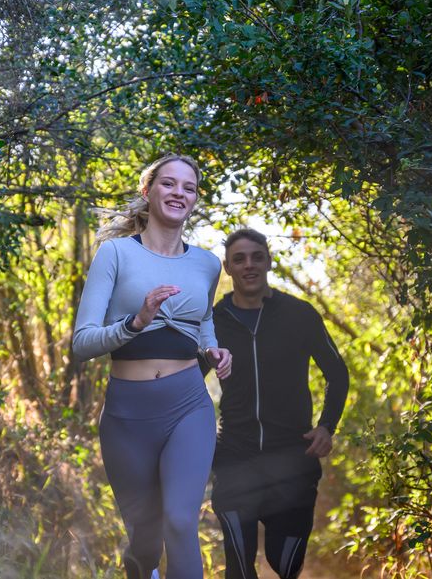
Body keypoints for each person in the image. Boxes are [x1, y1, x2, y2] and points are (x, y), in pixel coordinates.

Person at [71, 153, 233, 579]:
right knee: (145, 539)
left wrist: (214, 351)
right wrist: (135, 322)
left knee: (180, 521)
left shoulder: (207, 263)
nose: (179, 193)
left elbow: (203, 320)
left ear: (195, 199)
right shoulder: (115, 255)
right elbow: (81, 343)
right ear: (148, 191)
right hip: (127, 415)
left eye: (189, 187)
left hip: (187, 405)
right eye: (169, 183)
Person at [210, 228, 349, 579]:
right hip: (234, 460)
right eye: (239, 259)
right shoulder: (212, 323)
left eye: (257, 256)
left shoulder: (299, 314)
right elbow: (186, 385)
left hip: (292, 463)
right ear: (228, 268)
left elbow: (338, 374)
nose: (249, 265)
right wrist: (197, 438)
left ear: (269, 261)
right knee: (240, 571)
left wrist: (327, 426)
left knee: (284, 564)